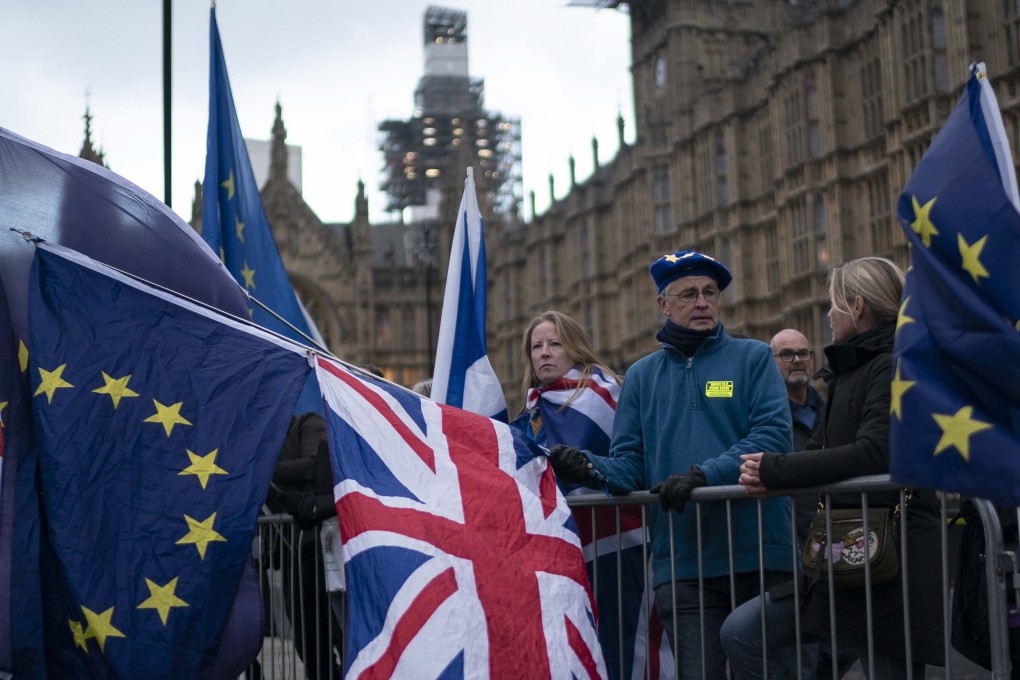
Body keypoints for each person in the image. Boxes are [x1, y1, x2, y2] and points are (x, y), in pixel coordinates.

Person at [549, 250, 795, 680]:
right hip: (683, 562)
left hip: (757, 549)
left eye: (710, 293)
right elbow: (631, 465)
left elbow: (772, 436)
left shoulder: (753, 359)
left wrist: (703, 475)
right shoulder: (642, 376)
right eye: (689, 294)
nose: (702, 302)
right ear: (664, 304)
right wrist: (586, 467)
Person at [721, 256, 945, 679]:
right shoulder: (848, 368)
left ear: (857, 306)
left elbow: (876, 451)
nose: (827, 313)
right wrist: (767, 469)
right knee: (741, 631)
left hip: (891, 557)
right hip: (843, 553)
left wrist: (776, 471)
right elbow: (822, 449)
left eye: (833, 304)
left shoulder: (892, 362)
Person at [510, 311, 653, 677]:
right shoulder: (530, 412)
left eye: (555, 344)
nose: (544, 353)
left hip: (611, 544)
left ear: (574, 349)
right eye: (536, 346)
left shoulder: (600, 396)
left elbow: (620, 461)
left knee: (621, 643)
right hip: (559, 551)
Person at [269, 413, 343, 680]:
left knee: (341, 634)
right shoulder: (260, 437)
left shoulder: (307, 423)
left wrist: (261, 468)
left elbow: (311, 464)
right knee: (308, 644)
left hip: (325, 550)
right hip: (293, 555)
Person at [769, 328, 826, 545]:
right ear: (770, 362)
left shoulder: (831, 410)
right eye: (786, 354)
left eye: (803, 353)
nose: (797, 360)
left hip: (834, 537)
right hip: (787, 541)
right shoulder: (765, 419)